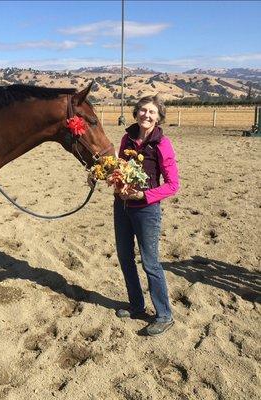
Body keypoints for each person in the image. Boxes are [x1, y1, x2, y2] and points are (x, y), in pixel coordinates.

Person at [114, 94, 179, 336]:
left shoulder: (162, 144)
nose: (146, 115)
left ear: (158, 117)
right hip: (121, 207)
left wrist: (144, 196)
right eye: (143, 110)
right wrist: (115, 182)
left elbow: (173, 185)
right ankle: (137, 305)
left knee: (150, 262)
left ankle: (164, 314)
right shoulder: (126, 138)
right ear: (136, 112)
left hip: (146, 210)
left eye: (152, 112)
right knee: (124, 256)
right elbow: (120, 170)